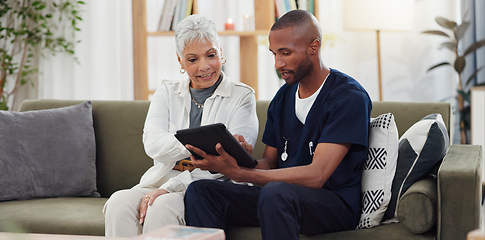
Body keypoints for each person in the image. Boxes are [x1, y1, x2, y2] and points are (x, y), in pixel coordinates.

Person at [184, 9, 372, 239]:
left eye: (285, 53)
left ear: (313, 47)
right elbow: (269, 164)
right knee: (202, 191)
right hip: (280, 198)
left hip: (333, 204)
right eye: (274, 54)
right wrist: (238, 158)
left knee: (276, 193)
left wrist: (243, 175)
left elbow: (317, 175)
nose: (277, 63)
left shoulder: (348, 97)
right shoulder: (283, 97)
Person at [102, 14, 258, 237]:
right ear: (180, 61)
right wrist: (204, 142)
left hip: (203, 187)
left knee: (161, 206)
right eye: (193, 59)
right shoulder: (166, 91)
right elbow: (153, 144)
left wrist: (171, 184)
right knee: (119, 202)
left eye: (211, 55)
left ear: (221, 52)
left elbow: (230, 161)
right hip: (162, 179)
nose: (204, 66)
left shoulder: (242, 96)